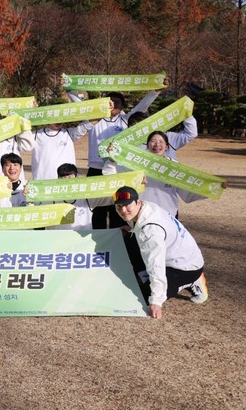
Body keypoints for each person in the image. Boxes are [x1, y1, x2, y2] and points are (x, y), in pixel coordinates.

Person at [69, 86, 163, 229]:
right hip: (96, 170)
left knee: (119, 206)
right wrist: (69, 91)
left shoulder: (126, 120)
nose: (113, 105)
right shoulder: (94, 120)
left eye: (117, 102)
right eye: (110, 102)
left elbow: (142, 107)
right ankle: (98, 238)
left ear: (122, 106)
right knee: (97, 209)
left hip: (117, 170)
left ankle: (118, 237)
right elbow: (81, 106)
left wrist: (155, 91)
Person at [113, 186, 208, 319]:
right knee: (128, 237)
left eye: (127, 205)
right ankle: (144, 276)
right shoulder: (146, 208)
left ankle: (192, 281)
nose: (123, 210)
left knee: (142, 296)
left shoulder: (151, 231)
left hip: (186, 267)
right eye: (119, 207)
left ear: (138, 202)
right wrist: (132, 229)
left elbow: (155, 266)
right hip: (177, 255)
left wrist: (156, 301)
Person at [43, 163, 113, 231]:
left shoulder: (87, 197)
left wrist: (111, 163)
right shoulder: (50, 199)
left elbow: (111, 198)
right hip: (57, 238)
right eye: (63, 179)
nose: (67, 183)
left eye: (70, 179)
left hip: (81, 237)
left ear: (77, 178)